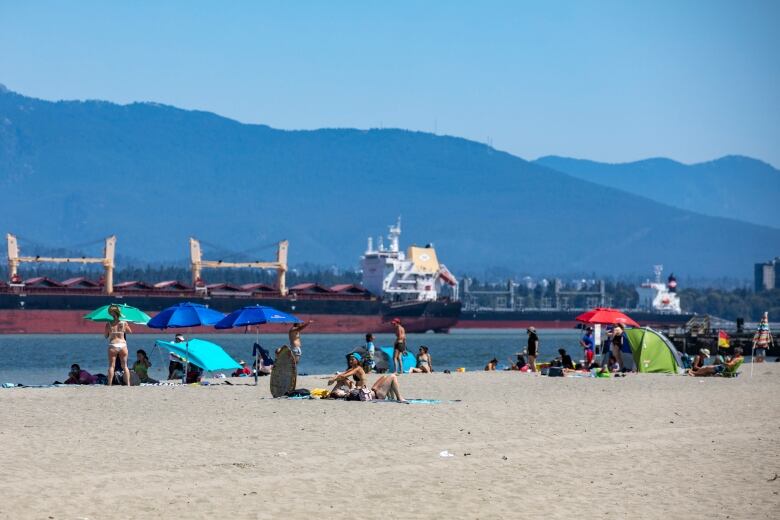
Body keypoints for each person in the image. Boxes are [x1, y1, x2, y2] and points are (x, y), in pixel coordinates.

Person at [104, 304, 131, 387]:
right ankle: (128, 384)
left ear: (111, 313)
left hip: (113, 345)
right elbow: (129, 331)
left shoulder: (108, 324)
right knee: (125, 366)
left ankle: (109, 384)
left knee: (112, 366)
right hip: (123, 345)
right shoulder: (124, 323)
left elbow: (106, 336)